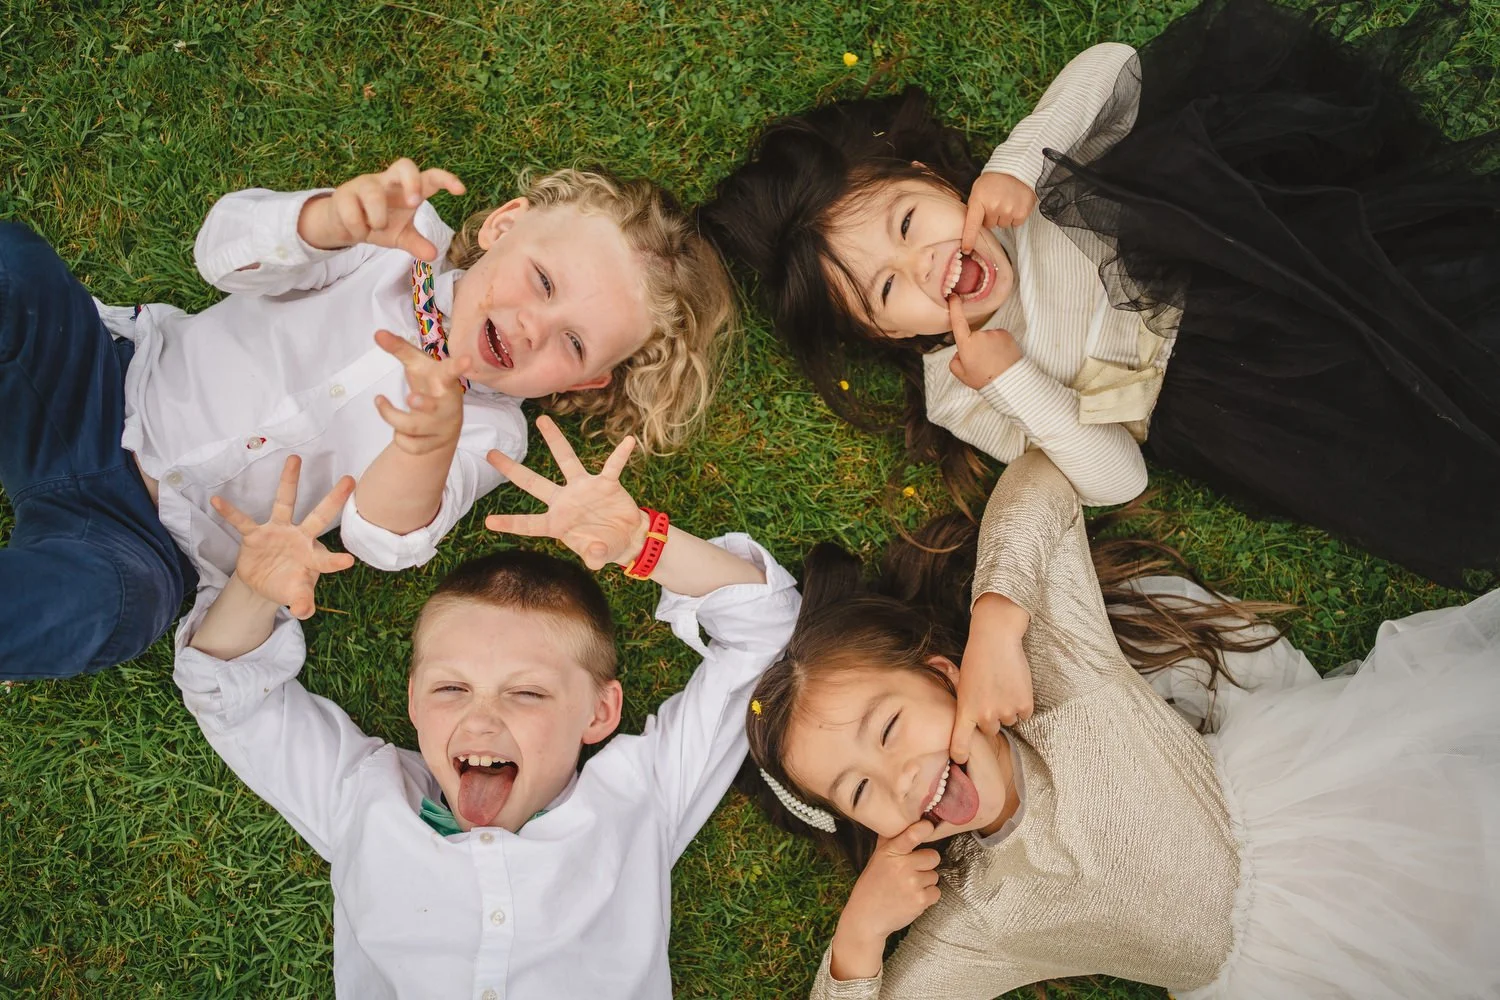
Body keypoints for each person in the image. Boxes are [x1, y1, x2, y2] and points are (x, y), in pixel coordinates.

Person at [700, 0, 1500, 587]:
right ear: (881, 336)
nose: (925, 266)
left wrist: (1022, 160)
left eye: (910, 222)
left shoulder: (1016, 194)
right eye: (885, 289)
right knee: (1413, 417)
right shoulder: (961, 391)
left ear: (929, 177)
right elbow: (1119, 478)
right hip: (1233, 392)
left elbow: (1114, 63)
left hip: (1247, 246)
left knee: (1439, 285)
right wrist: (1016, 376)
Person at [742, 449, 1500, 998]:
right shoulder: (982, 917)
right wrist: (859, 939)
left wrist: (998, 624)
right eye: (861, 792)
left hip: (1323, 821)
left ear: (946, 677)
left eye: (888, 730)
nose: (900, 777)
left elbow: (1039, 480)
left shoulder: (1058, 679)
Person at [1, 160, 734, 678]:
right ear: (505, 226)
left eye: (573, 343)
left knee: (103, 609)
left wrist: (426, 441)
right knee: (17, 266)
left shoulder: (490, 433)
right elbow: (220, 255)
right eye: (542, 280)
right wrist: (327, 221)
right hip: (102, 383)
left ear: (589, 378)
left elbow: (381, 540)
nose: (534, 325)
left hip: (146, 544)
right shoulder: (392, 241)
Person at [175, 417, 800, 998]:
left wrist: (641, 541)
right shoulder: (363, 798)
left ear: (599, 713)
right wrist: (253, 589)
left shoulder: (642, 796)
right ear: (414, 701)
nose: (480, 720)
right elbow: (232, 698)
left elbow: (766, 635)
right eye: (451, 689)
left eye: (527, 692)